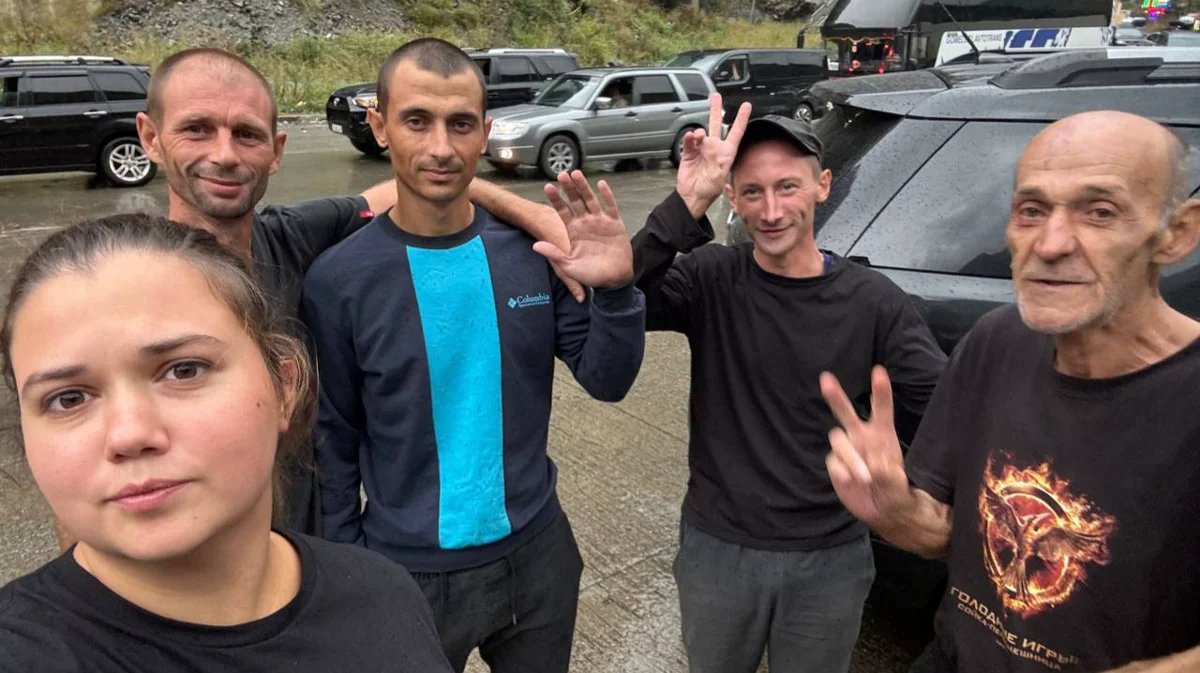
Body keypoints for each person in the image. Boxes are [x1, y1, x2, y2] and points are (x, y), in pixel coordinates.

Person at [548, 95, 947, 672]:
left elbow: (941, 405)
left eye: (788, 187)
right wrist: (688, 201)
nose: (771, 210)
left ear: (823, 186)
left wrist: (911, 489)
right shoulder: (713, 276)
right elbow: (620, 286)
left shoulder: (873, 301)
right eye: (752, 192)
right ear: (733, 198)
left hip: (829, 556)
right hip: (718, 549)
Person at [117, 47, 572, 538]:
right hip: (188, 558)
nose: (224, 155)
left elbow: (413, 184)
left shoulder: (294, 239)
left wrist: (535, 214)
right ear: (150, 137)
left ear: (277, 150)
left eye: (247, 134)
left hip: (300, 556)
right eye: (196, 129)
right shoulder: (120, 289)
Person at [301, 38, 645, 673]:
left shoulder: (531, 255)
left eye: (461, 124)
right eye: (416, 120)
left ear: (485, 132)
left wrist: (617, 291)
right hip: (408, 574)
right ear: (379, 126)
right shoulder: (338, 281)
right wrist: (351, 570)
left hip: (540, 555)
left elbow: (608, 380)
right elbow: (335, 438)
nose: (441, 147)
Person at [820, 111, 1200, 673]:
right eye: (1031, 210)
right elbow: (946, 538)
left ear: (1177, 233)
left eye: (1099, 212)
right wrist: (894, 511)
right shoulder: (996, 342)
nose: (1049, 243)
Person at [0, 213, 454, 673]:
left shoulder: (384, 597)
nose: (130, 434)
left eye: (184, 370)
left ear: (284, 386)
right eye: (68, 398)